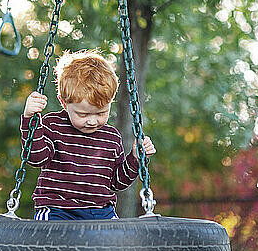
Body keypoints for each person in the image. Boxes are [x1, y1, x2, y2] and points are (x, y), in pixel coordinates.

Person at [21, 49, 156, 221]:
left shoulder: (111, 137)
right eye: (83, 115)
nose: (92, 121)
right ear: (64, 102)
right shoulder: (52, 125)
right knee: (53, 241)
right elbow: (36, 158)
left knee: (118, 241)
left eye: (101, 113)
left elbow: (116, 182)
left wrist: (135, 158)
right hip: (58, 209)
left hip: (100, 211)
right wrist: (30, 120)